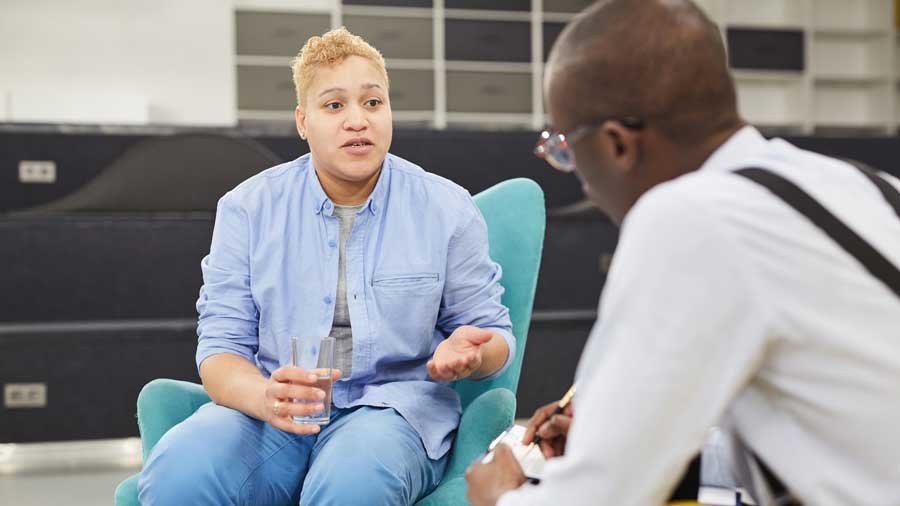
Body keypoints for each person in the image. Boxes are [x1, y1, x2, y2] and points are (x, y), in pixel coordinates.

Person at [465, 1, 900, 505]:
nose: (579, 177)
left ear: (616, 146)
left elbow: (603, 497)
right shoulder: (865, 187)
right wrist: (631, 435)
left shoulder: (688, 216)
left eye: (566, 151)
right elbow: (830, 428)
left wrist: (499, 495)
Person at [138, 27, 516, 505]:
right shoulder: (247, 208)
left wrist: (475, 352)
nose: (357, 120)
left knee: (352, 481)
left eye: (373, 103)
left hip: (392, 412)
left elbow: (495, 334)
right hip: (273, 411)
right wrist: (264, 398)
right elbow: (220, 347)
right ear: (303, 120)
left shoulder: (447, 207)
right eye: (334, 105)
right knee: (180, 471)